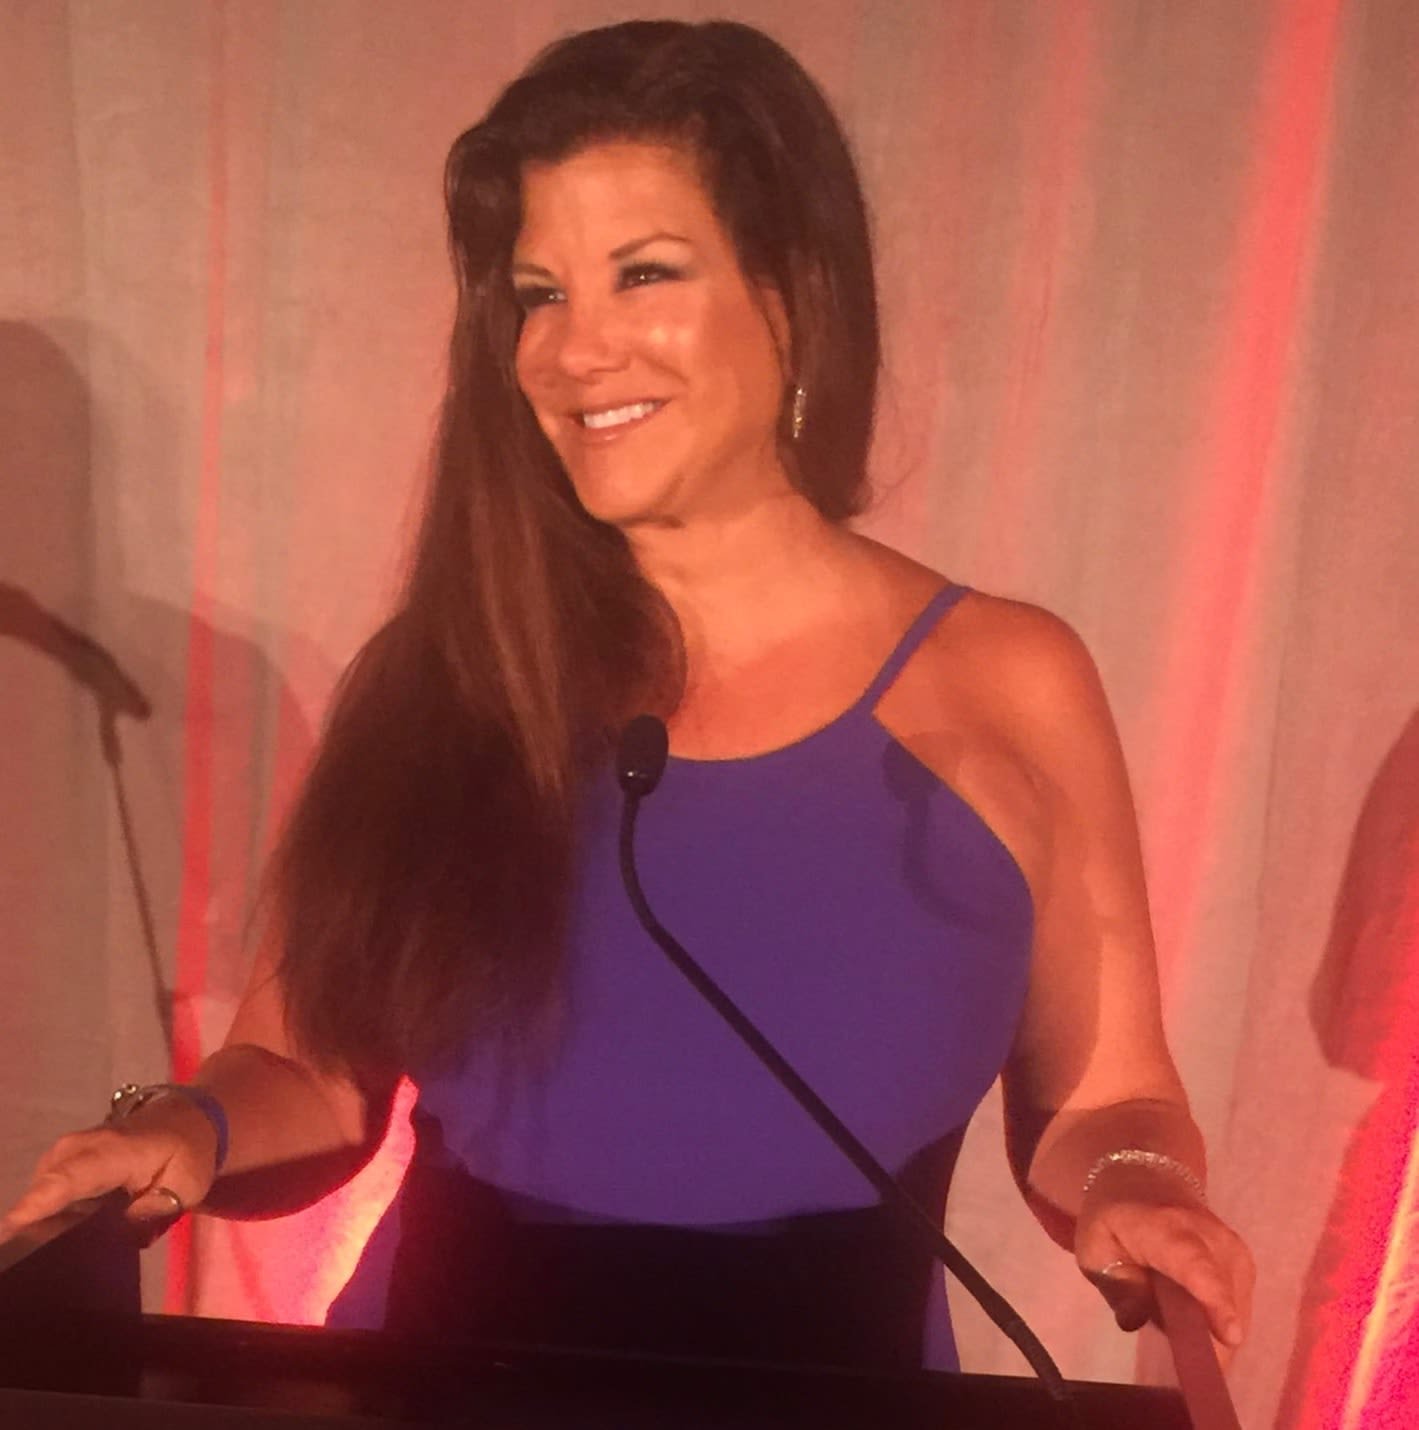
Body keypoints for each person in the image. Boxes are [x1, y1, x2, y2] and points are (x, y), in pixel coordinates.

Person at [0, 20, 1253, 1372]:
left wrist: (1140, 1183)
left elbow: (1109, 1092)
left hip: (842, 1387)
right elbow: (305, 1065)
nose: (573, 350)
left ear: (796, 293)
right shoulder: (440, 674)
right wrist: (181, 1122)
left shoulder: (1013, 679)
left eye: (640, 274)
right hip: (441, 1377)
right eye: (537, 294)